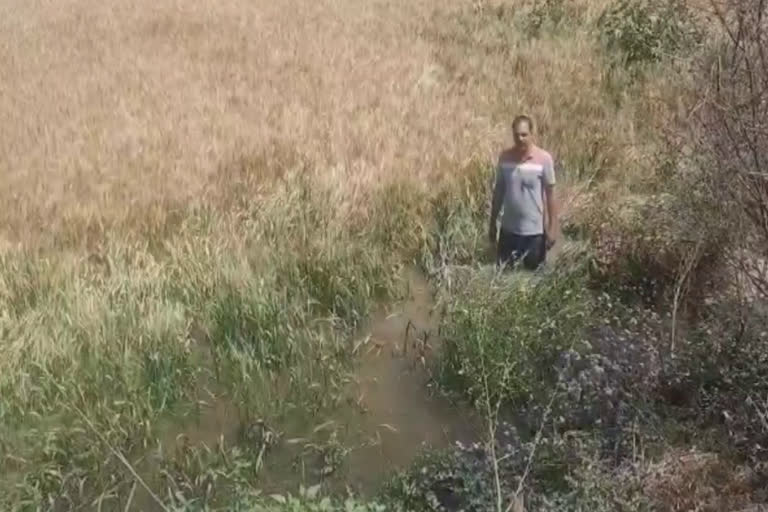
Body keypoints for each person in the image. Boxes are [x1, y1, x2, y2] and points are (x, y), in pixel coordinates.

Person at [489, 115, 560, 271]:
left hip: (534, 234)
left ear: (531, 134)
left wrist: (552, 228)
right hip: (508, 232)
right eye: (516, 135)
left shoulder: (544, 159)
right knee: (504, 278)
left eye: (524, 134)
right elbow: (499, 192)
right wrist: (493, 222)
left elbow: (550, 195)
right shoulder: (505, 158)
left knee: (534, 283)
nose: (520, 139)